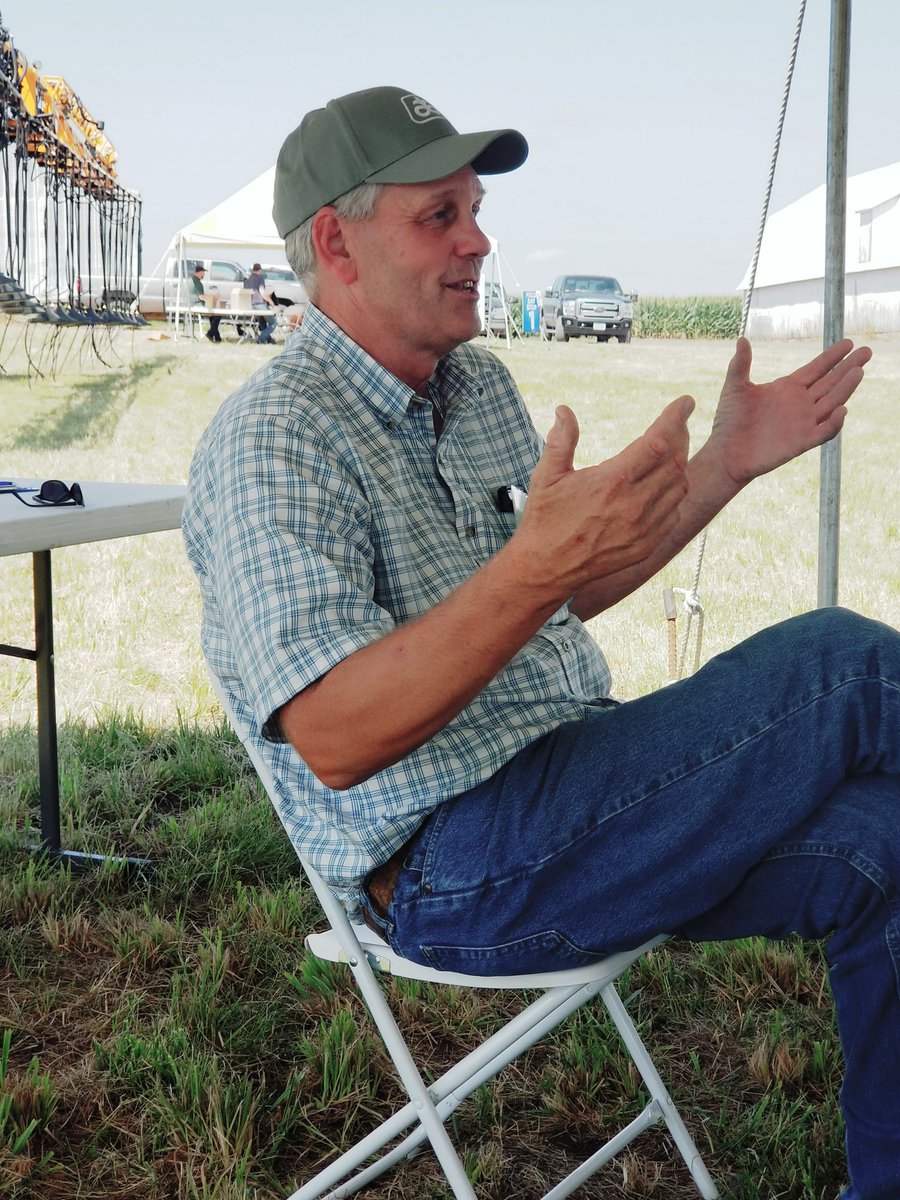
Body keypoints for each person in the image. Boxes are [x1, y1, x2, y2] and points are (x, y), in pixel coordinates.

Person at [182, 86, 899, 1198]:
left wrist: (723, 466)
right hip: (450, 867)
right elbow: (330, 733)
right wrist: (531, 570)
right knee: (839, 663)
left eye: (475, 209)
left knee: (886, 843)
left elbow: (555, 597)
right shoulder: (272, 439)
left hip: (573, 784)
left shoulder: (473, 386)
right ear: (337, 241)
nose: (478, 240)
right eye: (439, 216)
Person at [244, 262, 278, 344]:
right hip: (260, 304)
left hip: (252, 305)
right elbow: (262, 292)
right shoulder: (260, 278)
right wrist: (271, 302)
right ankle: (261, 338)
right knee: (273, 323)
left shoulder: (247, 280)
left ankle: (269, 340)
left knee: (262, 324)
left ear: (253, 270)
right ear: (260, 270)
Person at [190, 263, 221, 343]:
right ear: (199, 272)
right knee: (217, 314)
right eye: (203, 272)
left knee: (213, 316)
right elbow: (201, 297)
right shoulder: (197, 282)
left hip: (192, 304)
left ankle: (217, 338)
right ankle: (211, 333)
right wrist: (213, 297)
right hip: (197, 305)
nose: (204, 274)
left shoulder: (191, 280)